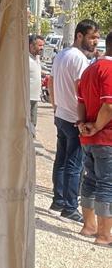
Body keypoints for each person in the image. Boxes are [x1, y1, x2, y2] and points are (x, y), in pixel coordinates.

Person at [49, 19, 99, 222]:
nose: (95, 41)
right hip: (73, 118)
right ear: (79, 35)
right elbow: (83, 90)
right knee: (74, 164)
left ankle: (58, 200)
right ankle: (70, 207)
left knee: (61, 160)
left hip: (62, 114)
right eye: (92, 37)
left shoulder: (62, 55)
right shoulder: (78, 59)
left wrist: (55, 107)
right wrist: (83, 120)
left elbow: (51, 83)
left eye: (97, 37)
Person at [77, 31, 112, 245]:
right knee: (107, 184)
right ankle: (104, 234)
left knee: (89, 180)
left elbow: (80, 101)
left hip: (88, 138)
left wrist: (83, 125)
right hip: (106, 137)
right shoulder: (109, 70)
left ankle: (88, 226)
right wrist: (97, 127)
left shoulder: (90, 68)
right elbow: (108, 105)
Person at [29, 34, 45, 130]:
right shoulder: (25, 59)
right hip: (27, 98)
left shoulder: (36, 58)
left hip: (35, 98)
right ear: (31, 46)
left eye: (43, 45)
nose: (42, 48)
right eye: (40, 45)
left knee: (33, 124)